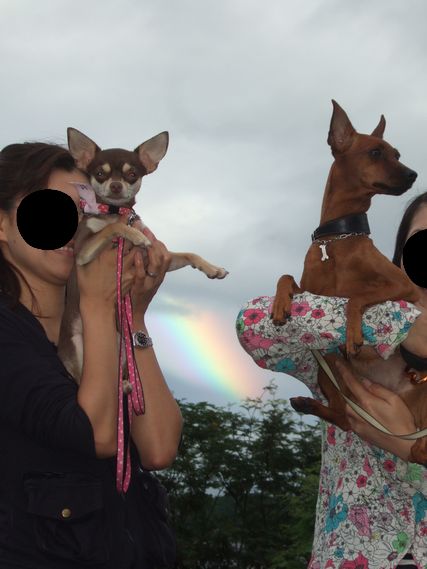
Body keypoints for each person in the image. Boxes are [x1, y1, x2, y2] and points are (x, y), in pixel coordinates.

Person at [0, 141, 183, 568]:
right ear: (3, 226)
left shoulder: (97, 329)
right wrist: (99, 305)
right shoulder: (10, 332)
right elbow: (97, 435)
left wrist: (133, 316)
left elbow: (158, 447)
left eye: (85, 209)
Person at [237, 191, 427, 569]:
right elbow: (254, 326)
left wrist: (405, 445)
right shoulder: (344, 348)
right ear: (398, 262)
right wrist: (395, 323)